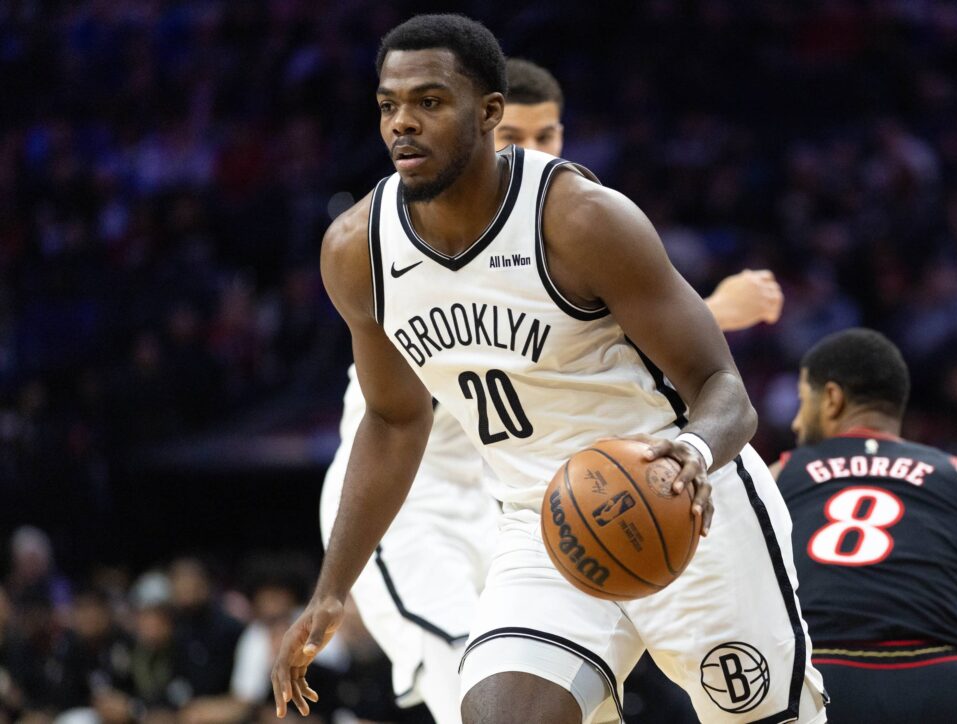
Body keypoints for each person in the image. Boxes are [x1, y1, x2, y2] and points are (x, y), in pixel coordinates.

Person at [287, 14, 824, 724]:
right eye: (389, 105)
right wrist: (332, 587)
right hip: (544, 525)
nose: (403, 124)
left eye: (430, 102)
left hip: (689, 508)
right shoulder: (357, 250)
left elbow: (724, 391)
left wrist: (691, 455)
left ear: (489, 113)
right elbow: (391, 421)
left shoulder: (579, 219)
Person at [773, 328, 957, 723]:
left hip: (818, 680)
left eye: (804, 402)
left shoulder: (772, 480)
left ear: (833, 399)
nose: (796, 423)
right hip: (941, 685)